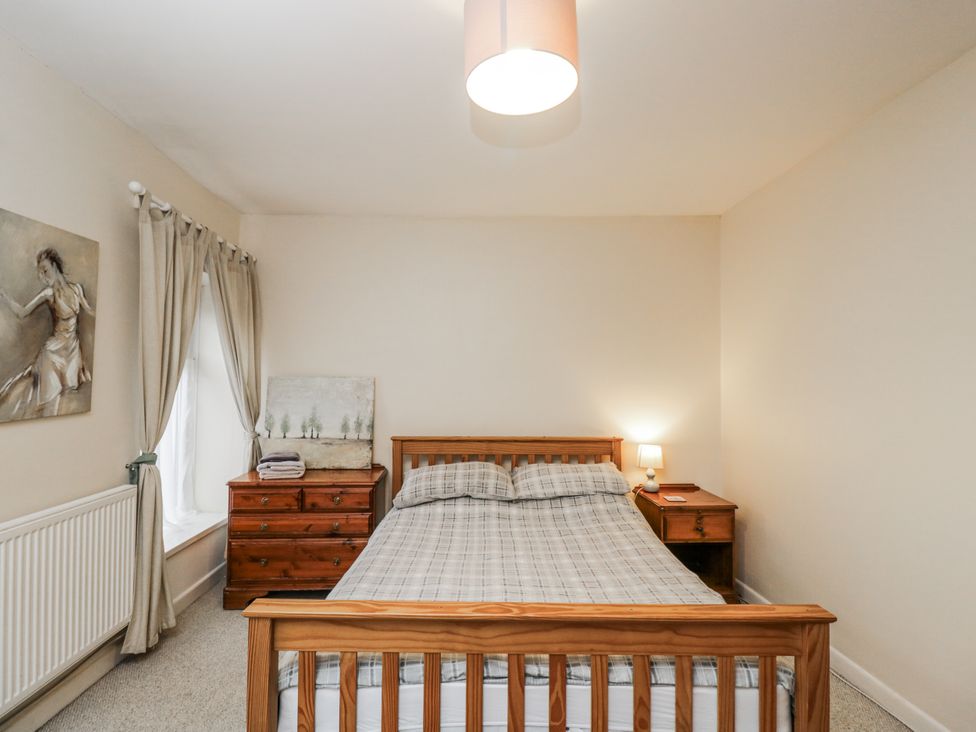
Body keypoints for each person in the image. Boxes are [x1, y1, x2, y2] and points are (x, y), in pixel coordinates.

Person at [0, 247, 94, 418]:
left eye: (45, 270)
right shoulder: (48, 293)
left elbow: (90, 310)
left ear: (55, 266)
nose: (43, 277)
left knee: (62, 407)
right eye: (40, 273)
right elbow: (22, 313)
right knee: (49, 407)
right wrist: (3, 295)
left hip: (72, 352)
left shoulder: (76, 289)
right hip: (53, 354)